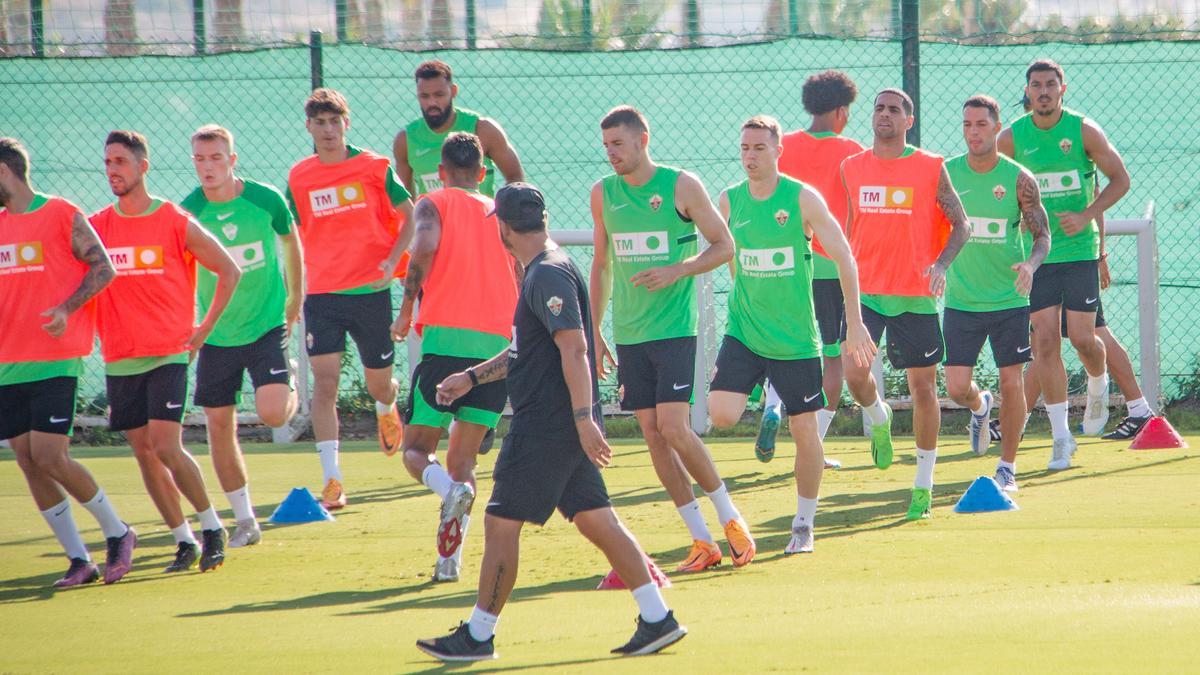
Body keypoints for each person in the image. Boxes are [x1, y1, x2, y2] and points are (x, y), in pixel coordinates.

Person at [416, 183, 686, 661]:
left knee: (500, 523)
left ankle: (478, 635)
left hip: (547, 425)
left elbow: (575, 348)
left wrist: (583, 419)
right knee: (597, 520)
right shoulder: (545, 269)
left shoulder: (547, 275)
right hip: (560, 424)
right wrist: (472, 377)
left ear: (502, 226)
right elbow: (527, 349)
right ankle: (657, 617)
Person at [589, 105, 754, 573]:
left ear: (643, 140)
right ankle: (701, 540)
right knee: (652, 435)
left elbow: (725, 246)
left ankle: (731, 518)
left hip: (675, 330)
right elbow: (600, 265)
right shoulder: (603, 194)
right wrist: (595, 329)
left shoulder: (681, 185)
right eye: (606, 147)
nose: (611, 155)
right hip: (629, 333)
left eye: (618, 145)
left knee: (675, 427)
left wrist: (678, 270)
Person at [708, 116, 875, 554]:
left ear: (779, 150)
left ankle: (803, 525)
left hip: (796, 340)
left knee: (807, 434)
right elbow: (724, 255)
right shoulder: (728, 200)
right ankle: (768, 395)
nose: (750, 156)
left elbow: (844, 256)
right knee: (721, 414)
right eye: (744, 148)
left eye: (759, 148)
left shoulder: (802, 199)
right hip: (744, 331)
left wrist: (854, 324)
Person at [91, 130, 241, 572]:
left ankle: (212, 526)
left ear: (143, 167)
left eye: (121, 161)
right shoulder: (98, 225)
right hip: (121, 355)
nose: (113, 170)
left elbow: (229, 270)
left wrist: (203, 330)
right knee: (143, 450)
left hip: (168, 352)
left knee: (165, 444)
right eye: (108, 163)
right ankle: (184, 540)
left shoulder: (173, 220)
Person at [0, 137, 137, 587]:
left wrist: (65, 309)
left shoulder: (60, 214)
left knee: (49, 454)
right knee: (25, 457)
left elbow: (104, 268)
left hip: (55, 357)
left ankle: (118, 532)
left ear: (5, 172)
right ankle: (79, 559)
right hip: (8, 361)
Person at [390, 132, 520, 582]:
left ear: (442, 172)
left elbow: (423, 246)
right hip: (496, 349)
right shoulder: (502, 212)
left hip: (445, 341)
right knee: (464, 461)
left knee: (416, 449)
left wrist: (407, 308)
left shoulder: (434, 200)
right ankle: (449, 563)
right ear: (483, 173)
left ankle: (446, 492)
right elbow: (523, 270)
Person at [840, 88, 971, 519]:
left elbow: (962, 225)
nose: (884, 115)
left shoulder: (930, 167)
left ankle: (923, 485)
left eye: (894, 110)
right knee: (855, 377)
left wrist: (941, 264)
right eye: (879, 108)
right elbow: (846, 231)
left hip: (915, 296)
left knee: (922, 390)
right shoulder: (851, 168)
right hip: (867, 294)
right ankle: (878, 417)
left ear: (908, 121)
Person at [998, 59, 1131, 469]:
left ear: (1062, 88)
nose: (1042, 91)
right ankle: (1061, 436)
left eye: (1050, 84)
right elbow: (995, 189)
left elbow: (1120, 180)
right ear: (1027, 91)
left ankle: (1097, 382)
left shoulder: (1083, 130)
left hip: (1077, 253)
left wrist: (1089, 214)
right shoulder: (1011, 139)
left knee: (1083, 338)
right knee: (1043, 343)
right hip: (1036, 257)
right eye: (1035, 85)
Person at [286, 88, 414, 509]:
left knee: (379, 383)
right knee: (325, 385)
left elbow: (412, 216)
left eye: (334, 121)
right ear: (308, 127)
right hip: (321, 295)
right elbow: (292, 236)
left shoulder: (374, 167)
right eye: (319, 123)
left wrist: (394, 259)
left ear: (347, 122)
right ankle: (332, 479)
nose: (327, 130)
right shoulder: (299, 177)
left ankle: (387, 403)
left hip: (370, 293)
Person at [181, 124, 304, 547]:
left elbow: (291, 240)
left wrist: (296, 297)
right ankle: (245, 519)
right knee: (218, 425)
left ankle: (288, 383)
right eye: (200, 158)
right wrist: (192, 329)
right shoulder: (188, 212)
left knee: (272, 414)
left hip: (266, 324)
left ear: (232, 161)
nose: (207, 167)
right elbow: (178, 272)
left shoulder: (265, 198)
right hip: (217, 334)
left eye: (216, 158)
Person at [753, 70, 866, 464]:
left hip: (784, 268)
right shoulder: (852, 150)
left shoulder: (783, 147)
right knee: (831, 356)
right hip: (832, 269)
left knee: (783, 346)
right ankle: (814, 443)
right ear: (840, 111)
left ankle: (772, 403)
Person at [942, 95, 1050, 492]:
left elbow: (1043, 234)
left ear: (996, 127)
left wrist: (1031, 265)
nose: (974, 132)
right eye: (968, 124)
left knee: (1012, 381)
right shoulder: (946, 175)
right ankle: (979, 406)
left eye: (982, 125)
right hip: (961, 300)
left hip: (1008, 299)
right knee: (955, 388)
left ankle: (1008, 466)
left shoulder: (1019, 178)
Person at [393, 60, 524, 199]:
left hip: (481, 220)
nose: (432, 102)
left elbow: (515, 176)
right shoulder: (405, 141)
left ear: (453, 91)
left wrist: (504, 213)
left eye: (439, 95)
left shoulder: (484, 129)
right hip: (433, 220)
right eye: (424, 96)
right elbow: (405, 198)